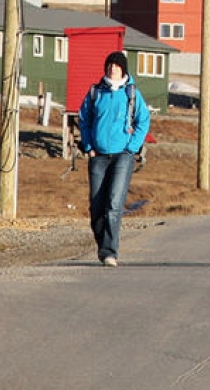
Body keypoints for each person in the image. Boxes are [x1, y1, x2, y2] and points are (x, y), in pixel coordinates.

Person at [78, 51, 150, 267]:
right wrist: (89, 146)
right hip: (98, 155)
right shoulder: (95, 92)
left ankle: (110, 252)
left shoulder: (132, 94)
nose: (112, 69)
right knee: (96, 206)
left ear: (123, 69)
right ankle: (102, 244)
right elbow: (84, 120)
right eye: (109, 66)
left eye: (116, 66)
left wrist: (131, 148)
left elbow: (143, 121)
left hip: (122, 156)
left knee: (114, 203)